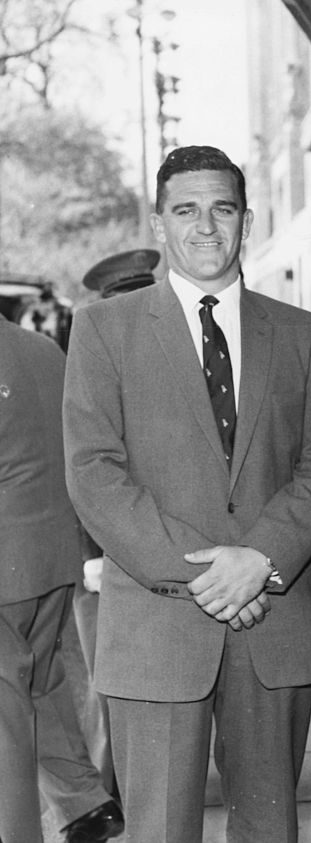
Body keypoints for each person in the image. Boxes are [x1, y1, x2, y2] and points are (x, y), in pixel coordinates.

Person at [63, 145, 311, 842]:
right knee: (160, 831)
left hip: (273, 621)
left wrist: (261, 557)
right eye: (185, 210)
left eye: (223, 208)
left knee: (269, 829)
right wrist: (215, 575)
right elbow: (94, 472)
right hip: (158, 627)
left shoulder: (301, 333)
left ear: (246, 220)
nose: (206, 226)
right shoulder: (104, 330)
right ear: (159, 223)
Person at [0, 314, 123, 843]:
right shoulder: (44, 348)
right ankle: (85, 804)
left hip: (6, 562)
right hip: (50, 556)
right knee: (41, 680)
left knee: (5, 710)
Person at [73, 247, 161, 797]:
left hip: (121, 549)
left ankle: (116, 789)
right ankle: (115, 788)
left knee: (114, 677)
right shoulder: (97, 352)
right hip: (113, 547)